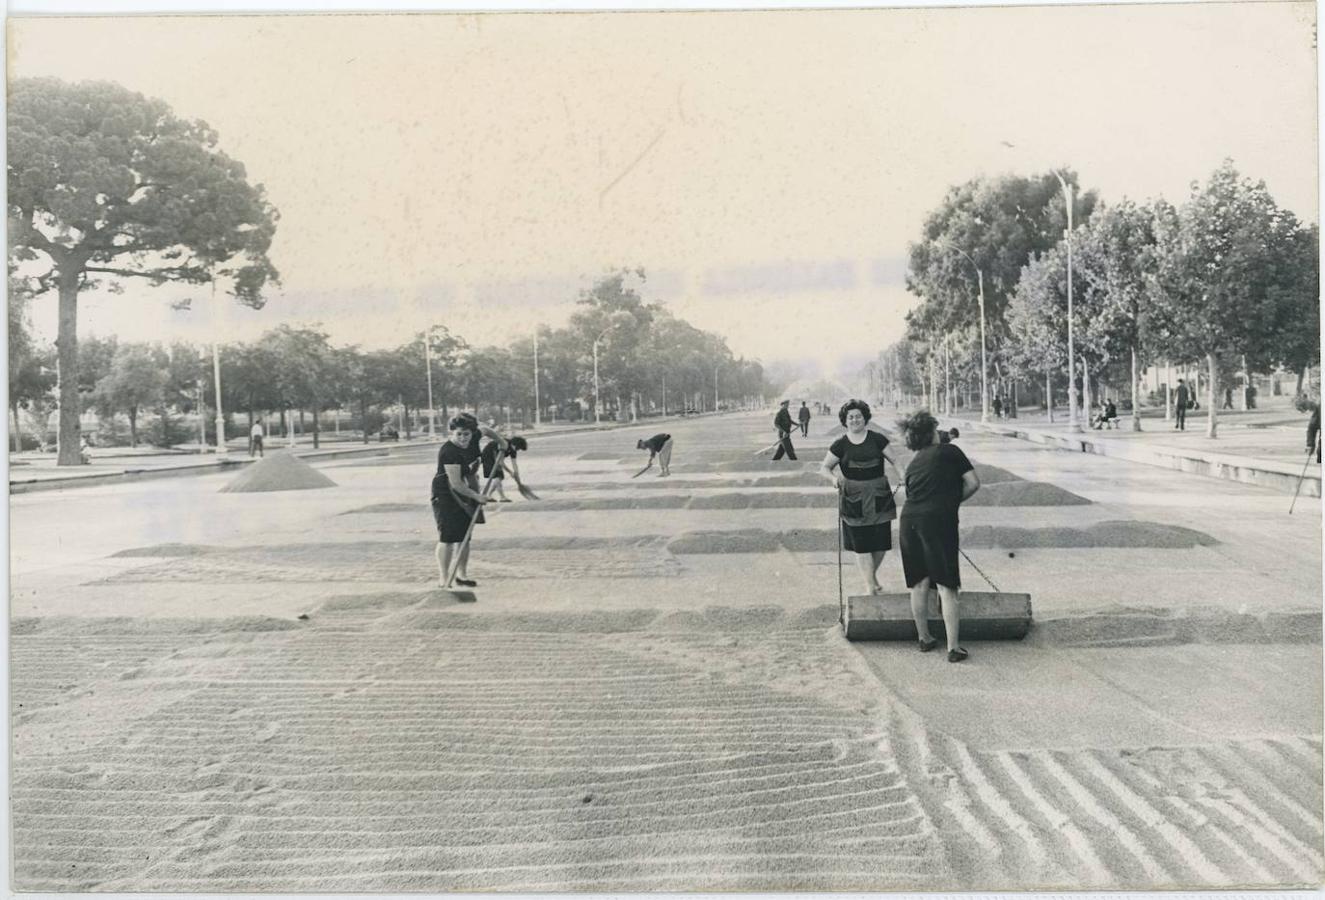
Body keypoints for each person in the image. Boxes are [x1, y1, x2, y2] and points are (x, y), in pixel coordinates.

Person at [897, 410, 981, 662]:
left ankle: (924, 638)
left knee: (919, 582)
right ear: (932, 432)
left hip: (908, 520)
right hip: (938, 519)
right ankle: (953, 647)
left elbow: (910, 494)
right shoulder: (950, 451)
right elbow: (973, 483)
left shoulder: (914, 461)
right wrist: (951, 502)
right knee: (947, 584)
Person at [819, 399, 899, 595]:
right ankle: (870, 586)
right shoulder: (840, 444)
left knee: (881, 544)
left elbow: (895, 460)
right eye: (851, 417)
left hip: (880, 495)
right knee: (861, 545)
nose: (855, 420)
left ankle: (870, 577)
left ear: (865, 418)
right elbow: (824, 468)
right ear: (845, 421)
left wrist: (905, 477)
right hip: (853, 497)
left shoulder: (878, 439)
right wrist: (832, 478)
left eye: (858, 416)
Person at [431, 416, 492, 589]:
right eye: (459, 434)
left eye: (466, 434)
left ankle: (461, 575)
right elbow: (456, 483)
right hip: (445, 494)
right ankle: (443, 578)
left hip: (466, 490)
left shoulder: (473, 439)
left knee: (464, 537)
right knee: (448, 537)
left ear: (472, 433)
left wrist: (502, 443)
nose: (463, 438)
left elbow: (486, 430)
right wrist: (476, 496)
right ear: (452, 432)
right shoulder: (449, 452)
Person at [481, 434, 528, 501]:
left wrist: (516, 474)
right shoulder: (504, 444)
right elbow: (501, 462)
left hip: (496, 458)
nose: (517, 450)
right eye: (518, 448)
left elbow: (514, 463)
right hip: (488, 456)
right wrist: (510, 472)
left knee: (499, 477)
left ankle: (488, 495)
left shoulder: (513, 450)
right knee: (498, 476)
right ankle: (502, 497)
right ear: (514, 444)